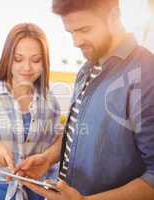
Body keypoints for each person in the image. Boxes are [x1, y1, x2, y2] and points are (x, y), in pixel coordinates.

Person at [15, 0, 154, 199]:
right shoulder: (86, 70)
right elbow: (77, 129)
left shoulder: (147, 74)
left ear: (113, 17)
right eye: (71, 32)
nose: (76, 41)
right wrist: (48, 158)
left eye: (84, 29)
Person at [0, 23, 62, 200]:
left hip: (37, 189)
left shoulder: (50, 101)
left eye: (36, 60)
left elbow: (54, 148)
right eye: (18, 59)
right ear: (7, 58)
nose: (27, 68)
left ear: (44, 61)